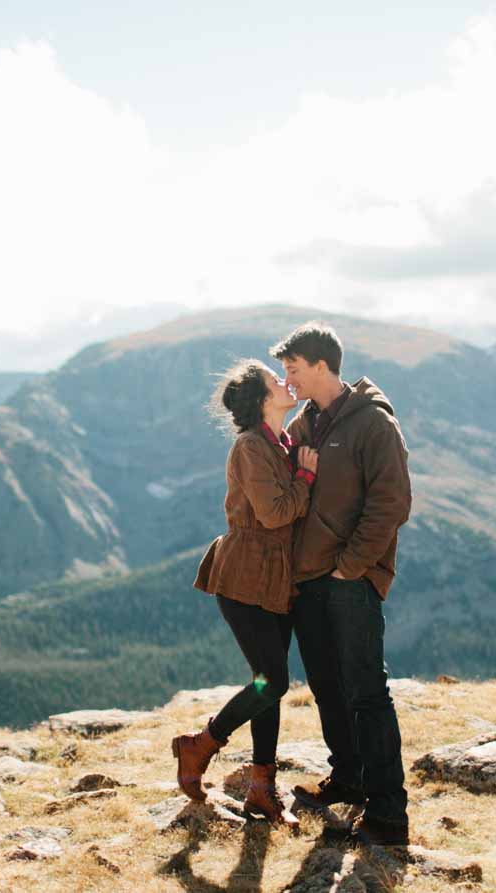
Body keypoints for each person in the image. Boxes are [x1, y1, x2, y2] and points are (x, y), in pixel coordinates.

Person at [272, 321, 413, 847]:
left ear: (322, 366)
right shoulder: (307, 422)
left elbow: (392, 501)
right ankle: (348, 779)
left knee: (366, 693)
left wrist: (352, 566)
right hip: (309, 580)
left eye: (293, 369)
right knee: (329, 687)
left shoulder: (373, 424)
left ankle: (388, 815)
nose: (288, 380)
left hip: (350, 579)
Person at [172, 359, 319, 828]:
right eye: (276, 381)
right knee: (272, 682)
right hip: (243, 579)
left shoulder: (283, 443)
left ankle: (261, 790)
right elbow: (275, 513)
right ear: (261, 399)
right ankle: (202, 743)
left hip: (276, 580)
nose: (286, 382)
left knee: (266, 685)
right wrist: (305, 479)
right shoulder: (252, 447)